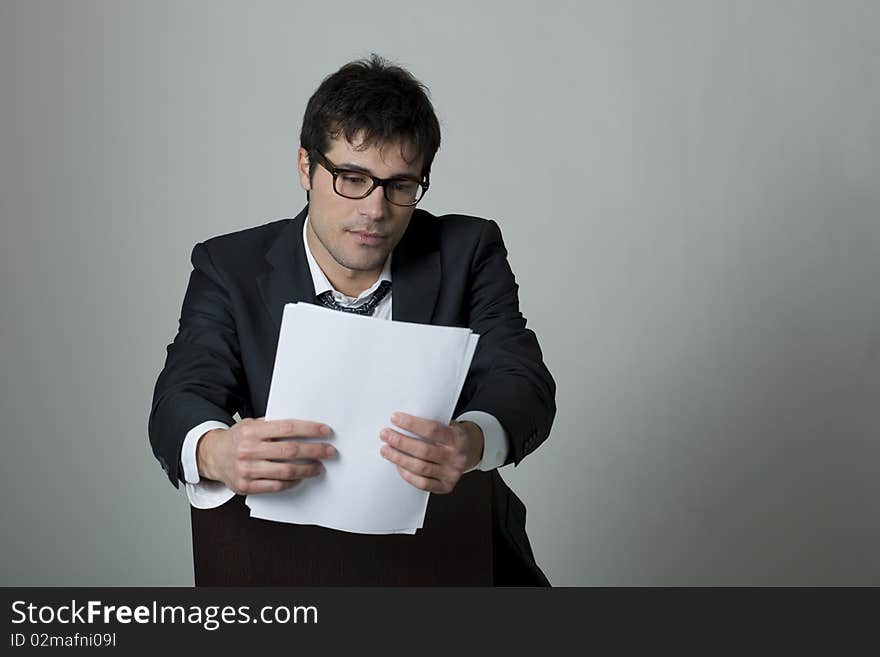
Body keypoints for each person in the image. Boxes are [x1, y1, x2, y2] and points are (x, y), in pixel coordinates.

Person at [148, 55, 555, 585]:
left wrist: (472, 441)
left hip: (458, 556)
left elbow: (521, 381)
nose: (375, 210)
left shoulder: (468, 250)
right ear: (305, 168)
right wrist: (214, 449)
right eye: (352, 178)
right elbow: (182, 395)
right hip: (289, 568)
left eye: (401, 185)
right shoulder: (230, 267)